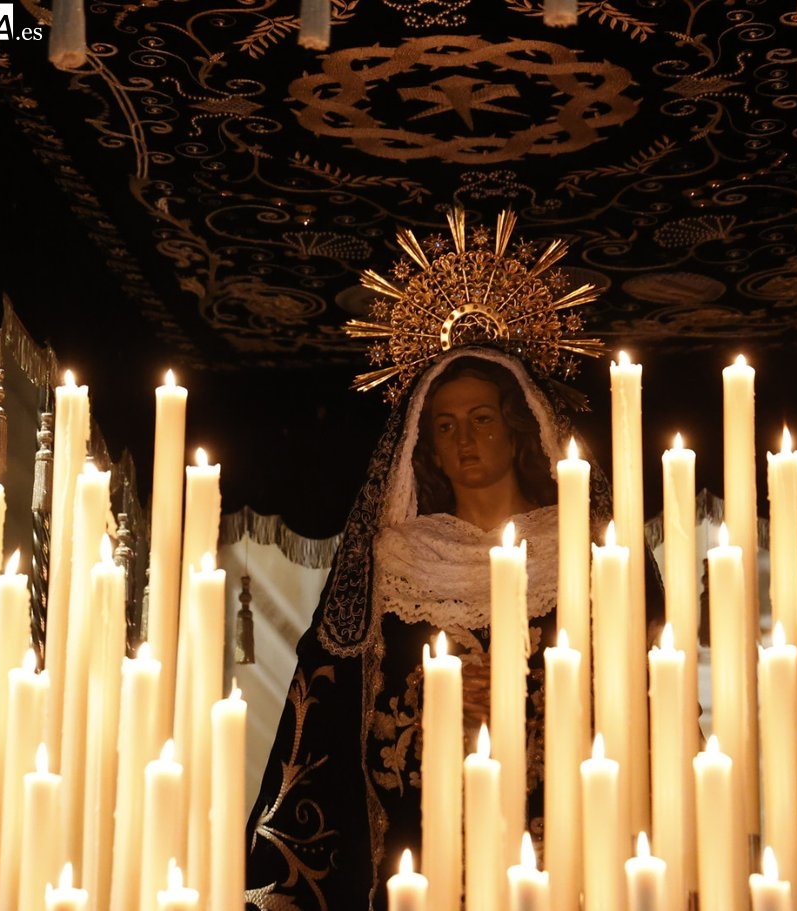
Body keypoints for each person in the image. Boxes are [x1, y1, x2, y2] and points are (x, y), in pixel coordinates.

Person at [244, 347, 623, 911]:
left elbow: (630, 680)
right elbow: (341, 705)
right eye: (445, 426)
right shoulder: (398, 560)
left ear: (519, 429)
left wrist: (535, 697)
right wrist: (435, 703)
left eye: (481, 420)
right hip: (424, 834)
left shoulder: (583, 545)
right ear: (431, 450)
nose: (464, 439)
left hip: (567, 828)